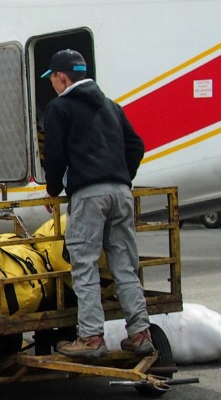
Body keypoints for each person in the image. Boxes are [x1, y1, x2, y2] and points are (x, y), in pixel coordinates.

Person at [39, 48, 153, 359]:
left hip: (88, 195)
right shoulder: (111, 106)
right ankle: (140, 334)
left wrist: (52, 189)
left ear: (62, 77)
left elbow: (55, 155)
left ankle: (90, 338)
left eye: (53, 80)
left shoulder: (59, 109)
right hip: (120, 192)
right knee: (124, 265)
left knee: (84, 265)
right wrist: (120, 176)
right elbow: (137, 145)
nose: (53, 85)